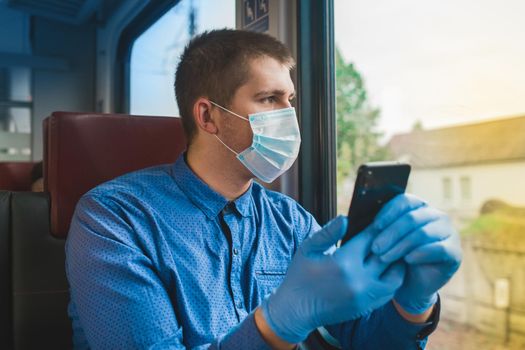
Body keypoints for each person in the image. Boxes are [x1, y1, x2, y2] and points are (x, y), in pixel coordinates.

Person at [65, 29, 462, 349]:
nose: (289, 116)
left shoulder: (290, 220)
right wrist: (277, 324)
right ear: (208, 116)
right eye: (269, 99)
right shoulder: (113, 219)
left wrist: (413, 305)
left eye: (290, 100)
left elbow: (363, 340)